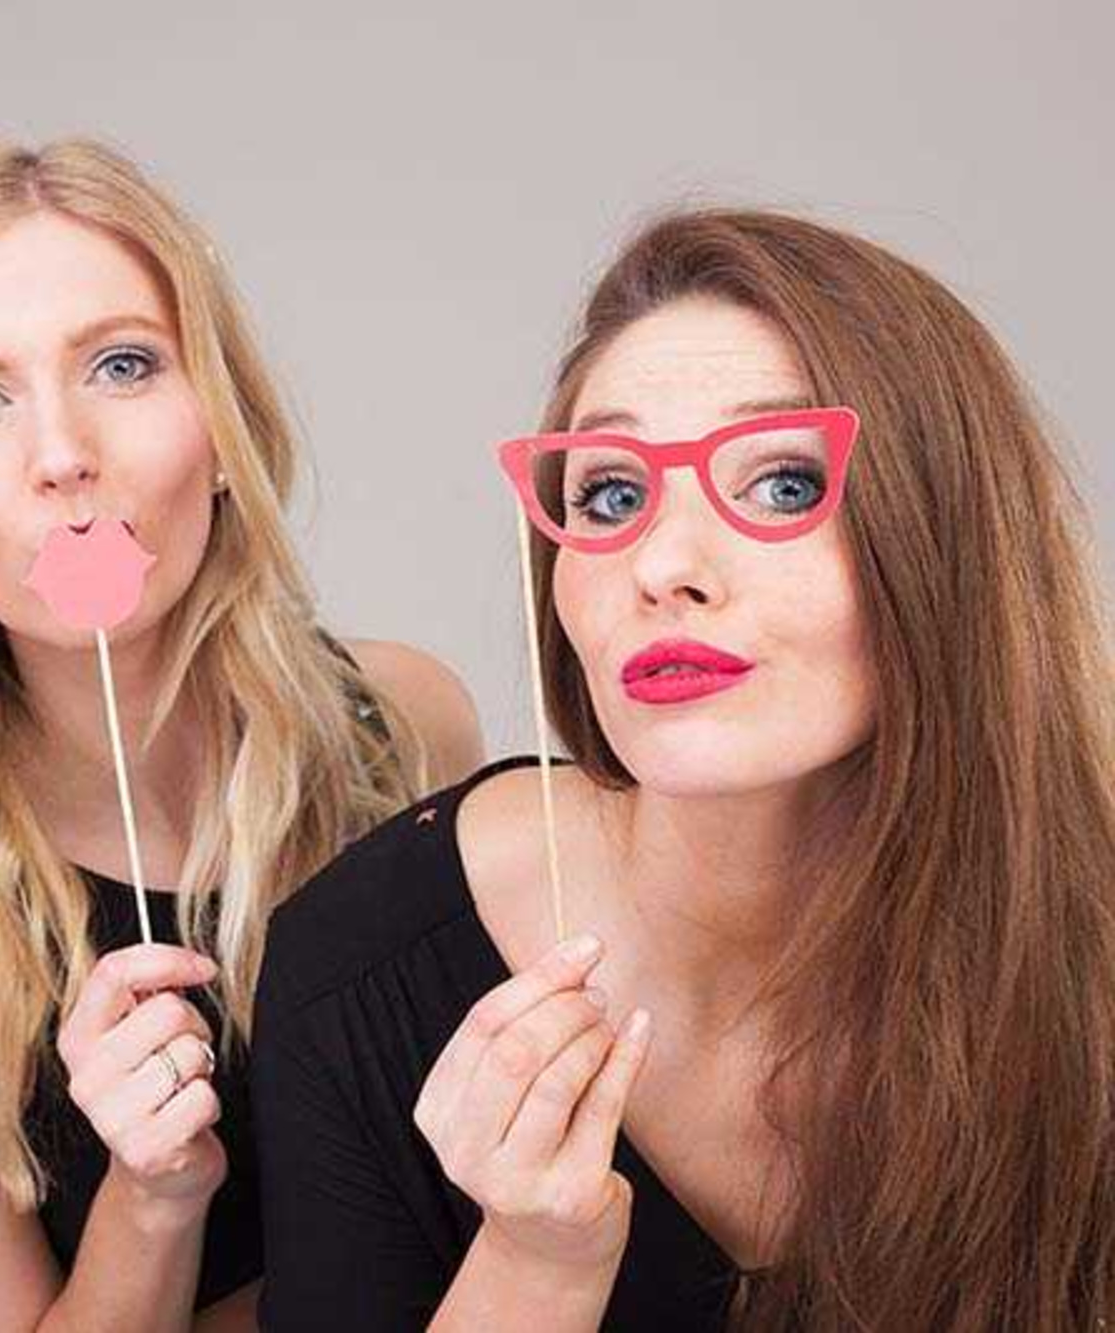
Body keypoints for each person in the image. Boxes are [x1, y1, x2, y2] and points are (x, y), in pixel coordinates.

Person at [253, 207, 1115, 1331]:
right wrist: (532, 1262)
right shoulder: (353, 967)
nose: (662, 564)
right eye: (609, 494)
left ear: (948, 539)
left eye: (781, 486)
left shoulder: (1081, 960)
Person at [0, 139, 483, 1329]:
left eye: (122, 365)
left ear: (219, 427)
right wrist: (152, 1199)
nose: (62, 454)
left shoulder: (409, 731)